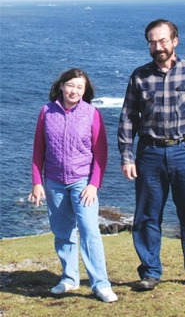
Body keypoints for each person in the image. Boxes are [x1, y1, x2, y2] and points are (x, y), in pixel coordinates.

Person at [118, 19, 185, 291]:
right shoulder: (139, 76)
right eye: (152, 42)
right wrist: (126, 156)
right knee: (146, 217)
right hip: (149, 153)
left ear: (175, 41)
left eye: (163, 40)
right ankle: (150, 272)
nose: (158, 46)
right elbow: (128, 118)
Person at [28, 68, 118, 303]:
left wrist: (94, 185)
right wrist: (37, 183)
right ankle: (69, 278)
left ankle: (101, 284)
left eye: (80, 87)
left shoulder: (92, 113)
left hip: (82, 183)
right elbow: (39, 149)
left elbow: (101, 153)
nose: (74, 91)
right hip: (54, 182)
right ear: (61, 86)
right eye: (71, 85)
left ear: (85, 91)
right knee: (62, 232)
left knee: (90, 231)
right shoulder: (46, 112)